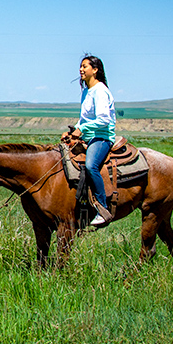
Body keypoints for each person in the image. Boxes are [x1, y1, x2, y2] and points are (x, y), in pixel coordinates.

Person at [62, 55, 116, 226]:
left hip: (102, 137)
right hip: (89, 136)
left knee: (92, 165)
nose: (81, 69)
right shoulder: (86, 91)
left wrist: (82, 130)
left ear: (95, 69)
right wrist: (73, 131)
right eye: (80, 66)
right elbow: (84, 120)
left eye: (85, 66)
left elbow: (104, 119)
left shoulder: (100, 91)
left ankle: (102, 208)